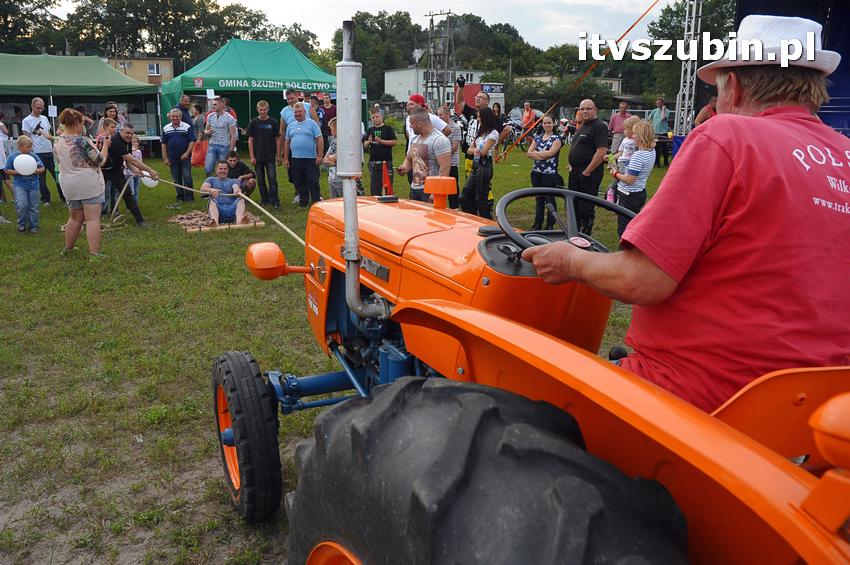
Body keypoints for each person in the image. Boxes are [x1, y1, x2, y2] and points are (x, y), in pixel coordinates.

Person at [521, 15, 850, 413]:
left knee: (528, 392)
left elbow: (644, 281)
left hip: (697, 394)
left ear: (737, 84)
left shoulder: (727, 136)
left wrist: (571, 260)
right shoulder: (843, 154)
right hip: (816, 407)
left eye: (718, 89)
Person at [53, 108, 110, 257]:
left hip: (69, 185)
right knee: (92, 219)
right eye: (82, 122)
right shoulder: (82, 141)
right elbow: (100, 161)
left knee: (74, 218)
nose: (83, 126)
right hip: (88, 184)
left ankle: (68, 249)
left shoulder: (57, 142)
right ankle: (94, 254)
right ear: (77, 122)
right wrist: (105, 146)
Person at [567, 99, 608, 235]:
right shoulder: (584, 125)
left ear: (595, 109)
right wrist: (571, 164)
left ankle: (585, 235)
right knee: (574, 205)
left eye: (588, 108)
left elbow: (601, 151)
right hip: (575, 172)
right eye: (582, 108)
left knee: (586, 206)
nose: (585, 111)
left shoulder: (599, 126)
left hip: (589, 173)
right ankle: (575, 233)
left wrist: (587, 171)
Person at [608, 120, 655, 237]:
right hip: (640, 192)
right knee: (633, 225)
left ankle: (624, 252)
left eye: (634, 133)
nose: (632, 136)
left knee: (624, 230)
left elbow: (629, 180)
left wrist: (615, 173)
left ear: (640, 135)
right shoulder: (651, 151)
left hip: (628, 195)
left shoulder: (638, 155)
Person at [106, 123, 157, 226]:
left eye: (131, 133)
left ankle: (140, 221)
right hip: (103, 170)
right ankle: (88, 218)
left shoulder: (127, 141)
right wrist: (150, 170)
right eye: (127, 133)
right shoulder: (116, 141)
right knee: (97, 194)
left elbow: (127, 160)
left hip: (116, 170)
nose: (129, 135)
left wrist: (134, 170)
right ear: (121, 131)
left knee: (127, 194)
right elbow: (133, 160)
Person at [398, 109, 451, 203]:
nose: (410, 126)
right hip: (414, 188)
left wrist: (436, 192)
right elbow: (410, 159)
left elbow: (445, 167)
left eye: (411, 123)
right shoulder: (415, 139)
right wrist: (404, 168)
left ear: (419, 124)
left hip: (430, 190)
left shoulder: (439, 140)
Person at [279, 89, 321, 204]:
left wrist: (319, 152)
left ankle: (316, 197)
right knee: (297, 176)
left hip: (310, 148)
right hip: (294, 150)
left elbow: (317, 126)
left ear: (297, 96)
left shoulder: (307, 106)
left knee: (312, 177)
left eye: (292, 98)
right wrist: (282, 153)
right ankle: (300, 196)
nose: (290, 101)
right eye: (288, 99)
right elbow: (283, 133)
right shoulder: (284, 112)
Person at [22, 97, 63, 204]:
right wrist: (30, 153)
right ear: (32, 106)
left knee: (58, 176)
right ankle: (46, 199)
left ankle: (64, 198)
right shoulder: (26, 120)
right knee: (41, 179)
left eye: (42, 108)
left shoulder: (44, 118)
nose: (40, 110)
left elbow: (48, 133)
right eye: (38, 108)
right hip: (37, 152)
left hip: (49, 151)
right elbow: (26, 138)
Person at [460, 107, 499, 217]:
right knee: (465, 195)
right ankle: (473, 216)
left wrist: (476, 150)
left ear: (485, 118)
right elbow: (469, 150)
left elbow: (483, 152)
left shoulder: (493, 133)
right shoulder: (480, 132)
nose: (477, 119)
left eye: (479, 117)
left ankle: (485, 220)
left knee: (481, 197)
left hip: (485, 165)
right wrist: (475, 150)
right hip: (475, 166)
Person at [526, 115, 563, 230]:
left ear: (553, 124)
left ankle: (550, 224)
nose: (547, 125)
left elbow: (550, 154)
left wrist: (537, 155)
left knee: (550, 200)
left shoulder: (557, 139)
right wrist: (543, 155)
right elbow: (528, 153)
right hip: (536, 173)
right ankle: (537, 224)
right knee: (539, 199)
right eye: (545, 123)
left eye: (549, 123)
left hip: (550, 174)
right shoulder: (537, 137)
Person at [5, 136, 45, 233]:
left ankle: (34, 226)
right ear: (20, 146)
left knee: (34, 206)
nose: (31, 149)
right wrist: (19, 171)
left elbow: (42, 168)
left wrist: (37, 170)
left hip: (33, 185)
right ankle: (22, 224)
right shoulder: (13, 157)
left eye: (31, 146)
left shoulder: (33, 156)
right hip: (20, 185)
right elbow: (7, 170)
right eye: (28, 147)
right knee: (22, 204)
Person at [247, 100, 281, 207]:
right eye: (260, 110)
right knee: (261, 180)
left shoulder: (273, 122)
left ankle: (275, 200)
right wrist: (252, 156)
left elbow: (278, 139)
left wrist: (278, 154)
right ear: (257, 110)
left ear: (268, 109)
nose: (262, 112)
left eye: (264, 110)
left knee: (272, 179)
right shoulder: (253, 123)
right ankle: (264, 199)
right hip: (258, 156)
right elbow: (250, 140)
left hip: (270, 156)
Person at [161, 108, 196, 208]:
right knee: (176, 178)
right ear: (170, 117)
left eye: (177, 116)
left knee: (187, 176)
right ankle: (180, 197)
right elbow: (163, 144)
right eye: (173, 116)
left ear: (181, 117)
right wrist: (165, 158)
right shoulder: (166, 128)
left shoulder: (187, 127)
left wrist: (187, 153)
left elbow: (192, 141)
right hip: (172, 158)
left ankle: (189, 197)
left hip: (185, 157)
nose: (175, 118)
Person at [604, 115, 640, 202]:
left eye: (625, 129)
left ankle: (621, 199)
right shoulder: (624, 141)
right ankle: (611, 191)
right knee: (620, 180)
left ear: (632, 130)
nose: (623, 131)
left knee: (628, 184)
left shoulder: (638, 141)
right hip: (623, 164)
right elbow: (620, 153)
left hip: (633, 166)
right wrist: (611, 157)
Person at [364, 108, 398, 197]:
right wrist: (369, 142)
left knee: (388, 186)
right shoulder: (370, 130)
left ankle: (387, 201)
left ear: (382, 117)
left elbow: (394, 142)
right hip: (373, 161)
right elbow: (364, 145)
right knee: (375, 187)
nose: (375, 119)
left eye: (377, 116)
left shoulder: (388, 129)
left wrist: (381, 141)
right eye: (373, 117)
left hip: (386, 161)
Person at [202, 161, 246, 227]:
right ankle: (215, 223)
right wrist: (211, 190)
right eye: (220, 169)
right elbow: (203, 188)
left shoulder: (233, 181)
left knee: (241, 200)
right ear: (216, 170)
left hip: (231, 209)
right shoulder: (210, 179)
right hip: (218, 211)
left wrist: (237, 191)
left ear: (228, 170)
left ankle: (239, 222)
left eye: (225, 169)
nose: (223, 171)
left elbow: (236, 187)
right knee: (212, 201)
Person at [436, 105, 461, 208]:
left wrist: (442, 154)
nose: (439, 117)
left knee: (452, 186)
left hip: (452, 162)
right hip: (439, 163)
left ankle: (454, 207)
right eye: (437, 115)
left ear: (448, 114)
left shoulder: (456, 128)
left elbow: (455, 146)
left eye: (441, 115)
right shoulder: (437, 128)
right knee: (440, 185)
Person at [204, 98, 237, 175]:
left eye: (215, 104)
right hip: (212, 145)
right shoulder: (210, 116)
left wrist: (231, 150)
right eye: (212, 104)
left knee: (222, 170)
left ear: (221, 105)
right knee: (208, 169)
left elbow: (233, 135)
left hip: (224, 146)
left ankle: (220, 185)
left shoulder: (230, 118)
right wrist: (207, 132)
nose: (213, 106)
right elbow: (205, 131)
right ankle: (209, 185)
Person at [323, 118, 343, 198]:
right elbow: (325, 159)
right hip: (332, 178)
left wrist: (332, 158)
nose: (331, 132)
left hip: (341, 180)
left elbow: (340, 157)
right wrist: (333, 161)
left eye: (331, 129)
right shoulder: (333, 142)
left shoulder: (344, 142)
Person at [648, 97, 670, 167]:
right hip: (656, 133)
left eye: (659, 103)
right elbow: (649, 119)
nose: (658, 104)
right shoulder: (654, 111)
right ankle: (656, 163)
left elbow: (663, 118)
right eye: (657, 103)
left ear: (663, 103)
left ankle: (666, 162)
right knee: (656, 148)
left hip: (664, 132)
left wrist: (663, 109)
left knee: (664, 148)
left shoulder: (667, 111)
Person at [123, 135, 144, 203]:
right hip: (129, 174)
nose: (136, 143)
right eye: (134, 142)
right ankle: (130, 205)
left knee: (136, 190)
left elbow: (140, 162)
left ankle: (135, 204)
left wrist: (141, 169)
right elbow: (124, 162)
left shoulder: (139, 152)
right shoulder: (127, 152)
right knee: (131, 191)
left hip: (137, 174)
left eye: (137, 142)